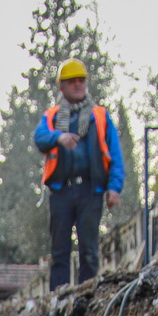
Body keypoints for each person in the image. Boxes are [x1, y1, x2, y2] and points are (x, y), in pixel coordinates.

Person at [33, 59, 125, 290]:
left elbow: (115, 154)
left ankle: (87, 295)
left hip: (90, 191)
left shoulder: (100, 116)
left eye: (81, 80)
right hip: (61, 191)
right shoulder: (52, 116)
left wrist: (114, 187)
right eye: (72, 81)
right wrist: (59, 137)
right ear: (61, 86)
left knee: (89, 251)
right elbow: (39, 138)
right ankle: (59, 298)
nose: (78, 85)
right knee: (60, 252)